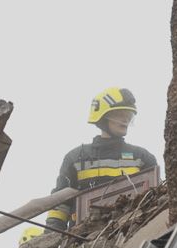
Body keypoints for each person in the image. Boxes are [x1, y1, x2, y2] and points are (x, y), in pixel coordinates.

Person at [45, 87, 159, 231]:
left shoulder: (142, 157)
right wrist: (49, 240)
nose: (125, 120)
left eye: (128, 115)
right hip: (84, 241)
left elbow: (155, 199)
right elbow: (60, 206)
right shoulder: (75, 158)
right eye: (119, 114)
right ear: (102, 117)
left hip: (132, 235)